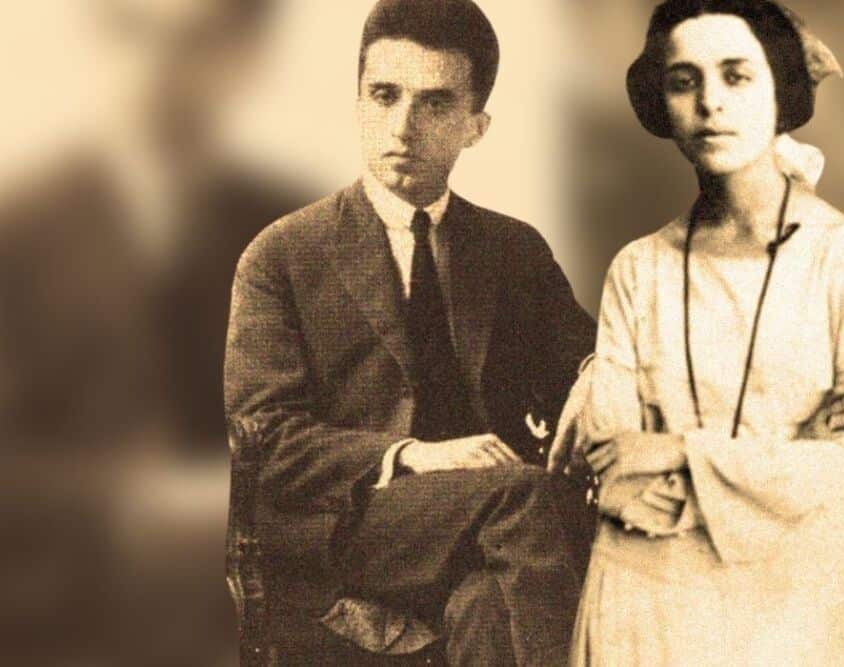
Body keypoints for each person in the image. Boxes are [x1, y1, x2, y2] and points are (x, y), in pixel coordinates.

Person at [223, 0, 596, 664]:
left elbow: (585, 364)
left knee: (488, 607)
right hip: (351, 526)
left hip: (492, 532)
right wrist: (413, 455)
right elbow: (267, 438)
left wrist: (598, 377)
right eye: (384, 95)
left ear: (476, 126)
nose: (402, 126)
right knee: (525, 499)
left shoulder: (511, 250)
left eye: (434, 103)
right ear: (357, 102)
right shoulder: (282, 254)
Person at [553, 1, 844, 663]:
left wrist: (678, 450)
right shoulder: (639, 269)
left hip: (810, 597)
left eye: (737, 76)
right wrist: (787, 469)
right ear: (662, 105)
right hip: (657, 597)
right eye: (684, 81)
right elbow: (617, 464)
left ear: (781, 91)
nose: (710, 102)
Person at [0, 1, 310, 664]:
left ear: (249, 55)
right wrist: (127, 508)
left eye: (197, 42)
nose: (159, 70)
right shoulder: (15, 234)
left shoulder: (303, 238)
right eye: (135, 34)